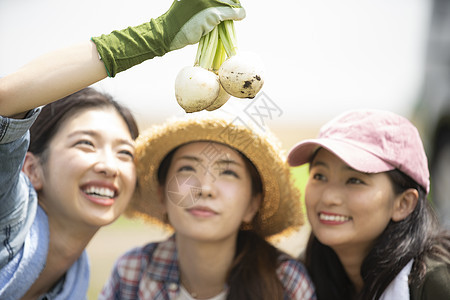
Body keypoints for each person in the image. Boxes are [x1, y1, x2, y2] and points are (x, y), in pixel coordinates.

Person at [0, 1, 246, 299]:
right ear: (31, 169)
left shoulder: (76, 281)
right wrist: (157, 35)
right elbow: (6, 101)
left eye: (125, 153)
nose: (109, 166)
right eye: (86, 143)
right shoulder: (8, 215)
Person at [99, 115, 317, 300]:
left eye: (228, 172)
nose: (204, 189)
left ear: (253, 204)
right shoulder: (133, 272)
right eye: (187, 169)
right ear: (162, 194)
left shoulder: (287, 282)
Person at [287, 109, 450, 300]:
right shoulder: (302, 277)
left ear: (403, 204)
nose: (329, 197)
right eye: (319, 176)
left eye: (355, 180)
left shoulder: (435, 281)